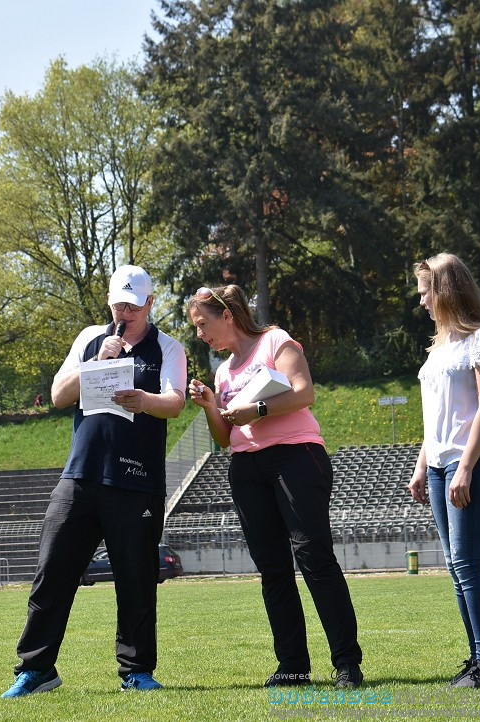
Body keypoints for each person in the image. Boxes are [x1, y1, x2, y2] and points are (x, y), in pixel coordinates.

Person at [1, 265, 187, 698]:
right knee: (53, 570)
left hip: (137, 481)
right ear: (109, 302)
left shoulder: (168, 348)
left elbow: (175, 403)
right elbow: (58, 394)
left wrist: (144, 400)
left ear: (150, 304)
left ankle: (136, 671)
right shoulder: (89, 338)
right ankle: (36, 670)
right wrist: (95, 362)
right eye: (119, 304)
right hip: (81, 476)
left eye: (134, 305)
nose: (125, 312)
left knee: (137, 579)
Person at [186, 284, 364, 689]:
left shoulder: (275, 341)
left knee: (314, 558)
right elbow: (222, 436)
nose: (200, 334)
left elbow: (305, 393)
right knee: (273, 570)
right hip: (246, 466)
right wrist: (212, 405)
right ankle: (293, 667)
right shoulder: (223, 369)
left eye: (202, 324)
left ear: (226, 316)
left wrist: (257, 409)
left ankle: (347, 664)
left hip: (296, 457)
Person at [407, 253, 480, 689]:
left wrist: (465, 466)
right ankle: (475, 660)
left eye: (425, 291)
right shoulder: (439, 348)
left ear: (445, 289)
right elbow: (436, 417)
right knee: (456, 565)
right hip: (438, 465)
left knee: (468, 562)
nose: (422, 302)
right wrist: (421, 466)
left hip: (474, 461)